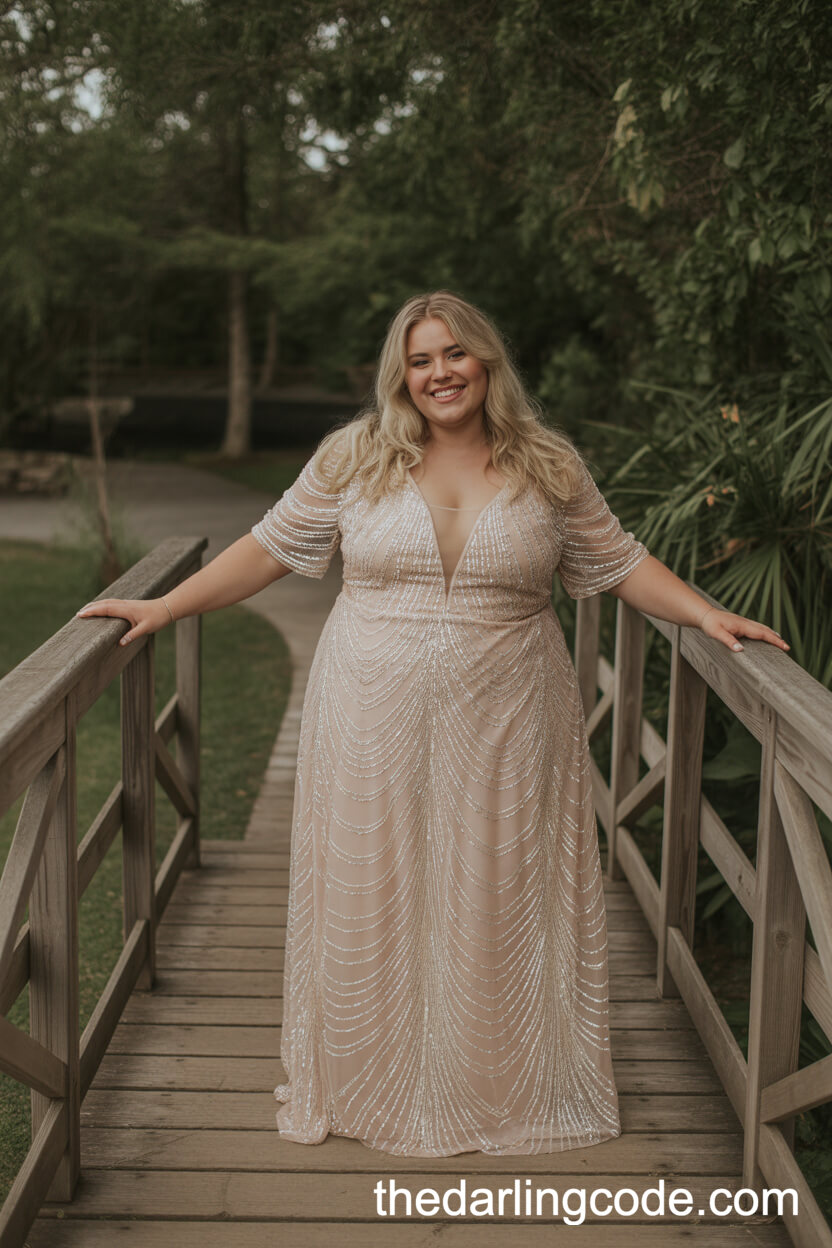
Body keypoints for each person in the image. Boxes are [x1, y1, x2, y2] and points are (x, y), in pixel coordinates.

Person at [76, 290, 788, 1157]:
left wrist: (707, 615)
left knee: (499, 886)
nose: (440, 373)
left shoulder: (547, 464)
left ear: (486, 362)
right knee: (373, 882)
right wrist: (164, 608)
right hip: (368, 711)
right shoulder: (355, 456)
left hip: (512, 713)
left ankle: (496, 1082)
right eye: (420, 360)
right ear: (400, 375)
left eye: (455, 354)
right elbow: (267, 547)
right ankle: (374, 1080)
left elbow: (619, 559)